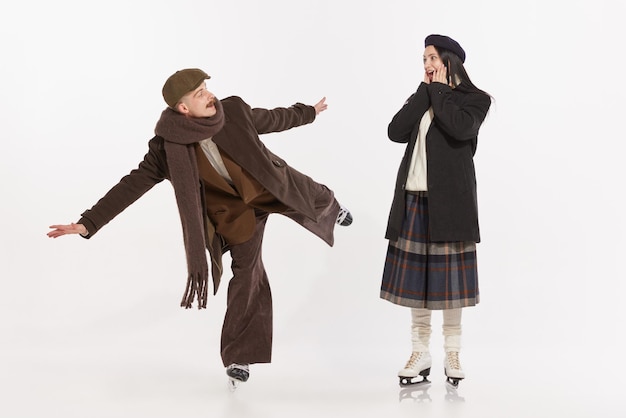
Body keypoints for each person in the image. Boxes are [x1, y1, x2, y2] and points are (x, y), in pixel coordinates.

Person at [48, 68, 352, 388]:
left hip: (268, 186)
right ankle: (239, 356)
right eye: (199, 94)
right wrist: (88, 223)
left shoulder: (233, 111)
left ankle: (334, 209)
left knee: (311, 194)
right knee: (248, 272)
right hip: (234, 213)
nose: (209, 95)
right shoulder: (167, 149)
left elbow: (274, 119)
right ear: (183, 109)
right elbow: (131, 185)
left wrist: (308, 112)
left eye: (206, 88)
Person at [380, 35, 491, 388]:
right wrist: (425, 92)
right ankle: (419, 351)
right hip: (414, 199)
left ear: (449, 61)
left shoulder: (475, 100)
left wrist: (440, 92)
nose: (426, 65)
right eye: (423, 59)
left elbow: (461, 128)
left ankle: (453, 352)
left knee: (450, 288)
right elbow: (395, 131)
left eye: (431, 58)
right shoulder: (424, 95)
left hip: (451, 205)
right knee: (418, 285)